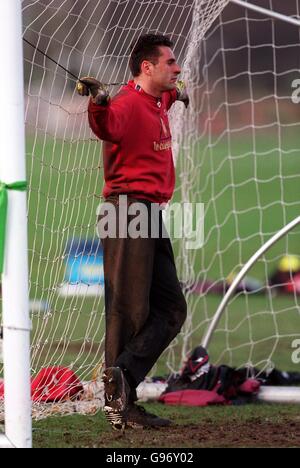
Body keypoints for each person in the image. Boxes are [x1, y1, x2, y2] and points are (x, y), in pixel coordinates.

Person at [77, 34, 188, 430]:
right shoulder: (123, 104)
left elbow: (167, 98)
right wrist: (98, 101)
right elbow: (106, 125)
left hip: (148, 213)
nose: (177, 69)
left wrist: (179, 93)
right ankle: (118, 400)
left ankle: (122, 379)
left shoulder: (159, 99)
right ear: (147, 67)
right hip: (125, 211)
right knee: (127, 311)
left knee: (172, 308)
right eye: (171, 63)